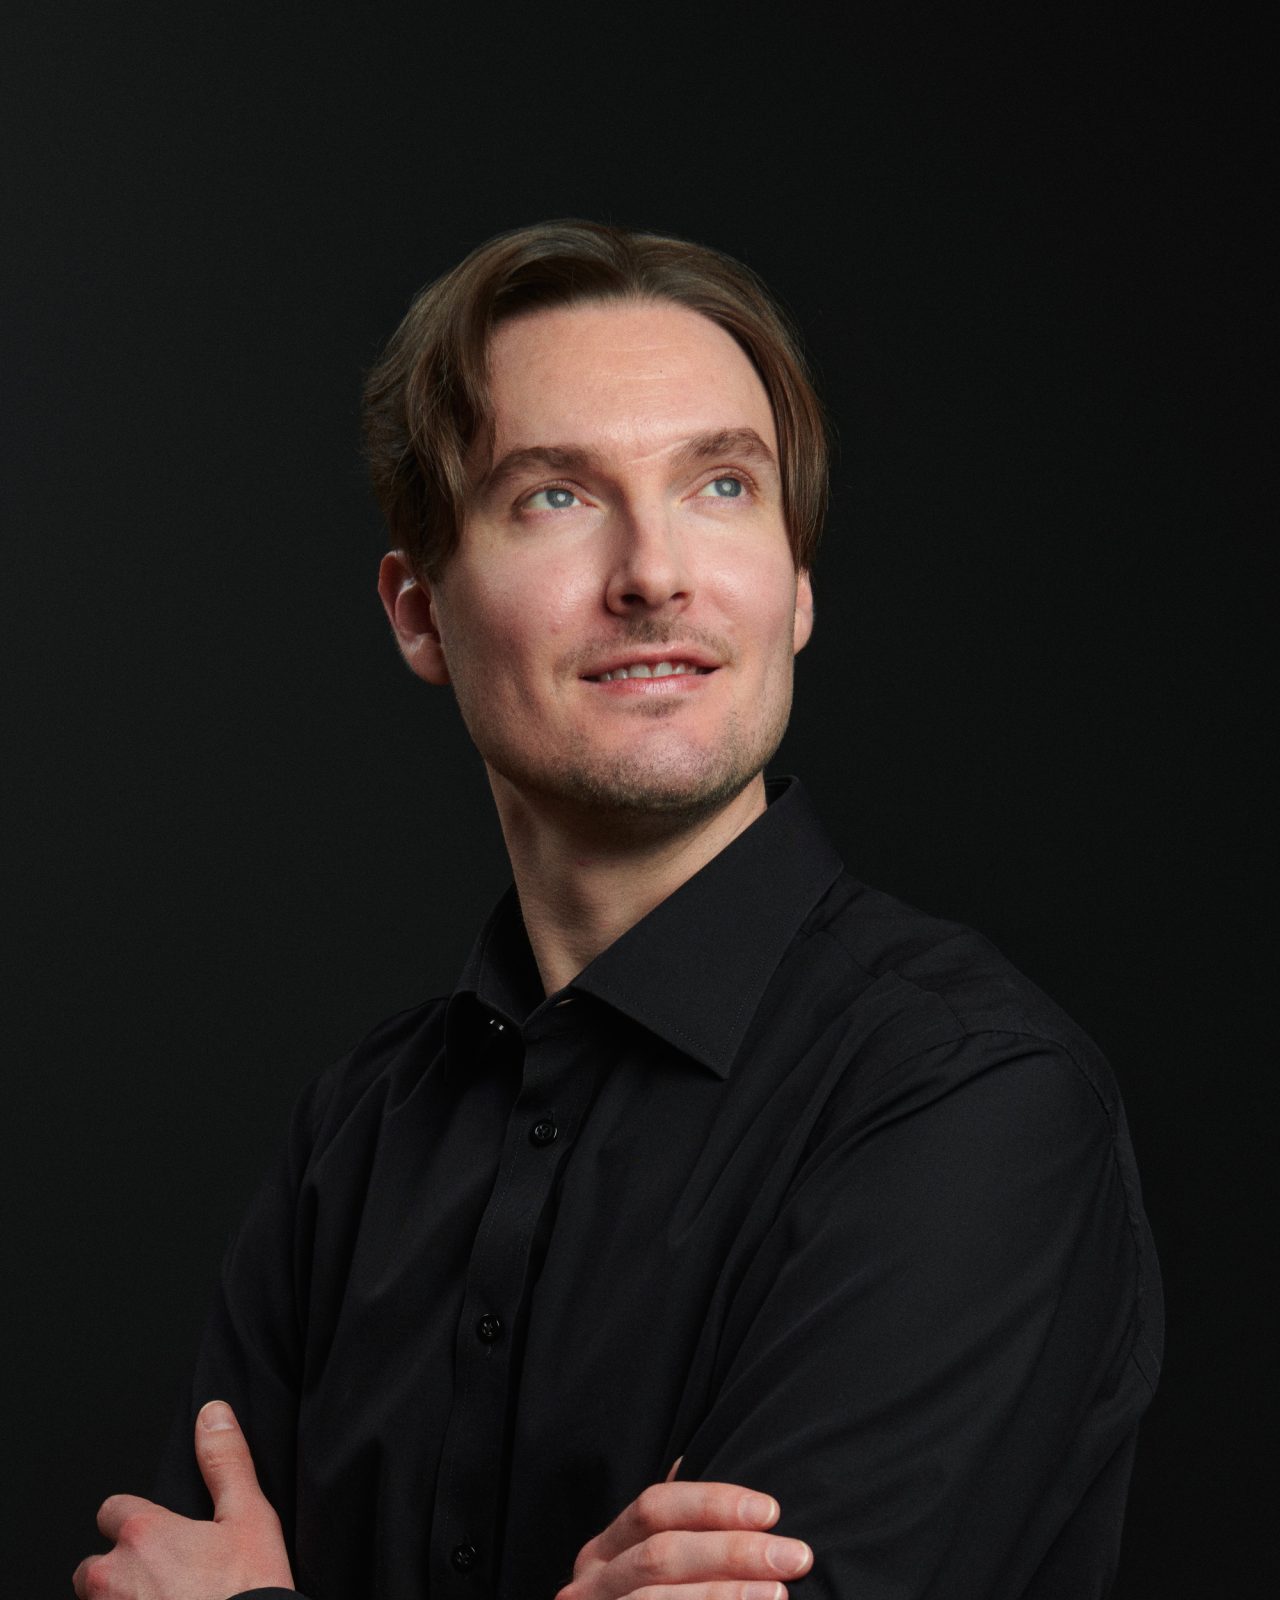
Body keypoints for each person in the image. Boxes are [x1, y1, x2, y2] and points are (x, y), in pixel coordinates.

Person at [75, 221, 1162, 1600]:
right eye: (555, 497)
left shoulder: (973, 1100)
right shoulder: (354, 1140)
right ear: (418, 613)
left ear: (797, 585)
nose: (655, 572)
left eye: (722, 485)